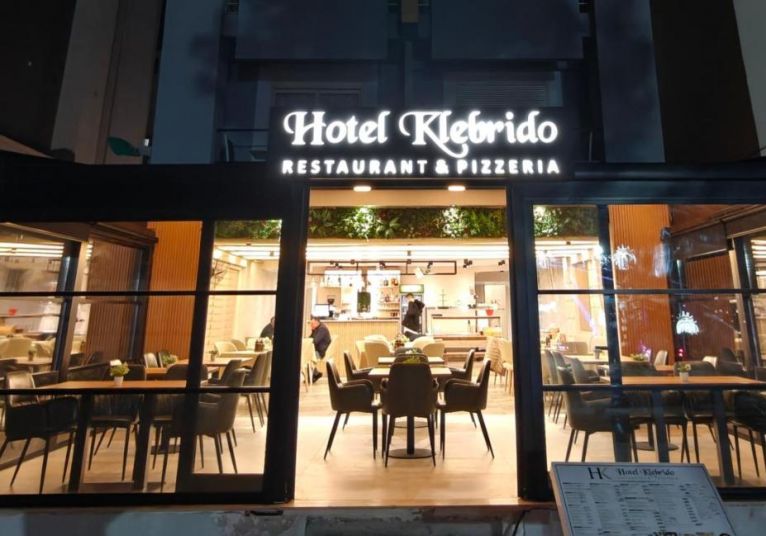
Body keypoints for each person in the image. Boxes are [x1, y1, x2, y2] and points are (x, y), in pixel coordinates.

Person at [310, 316, 331, 382]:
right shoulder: (317, 328)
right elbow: (310, 338)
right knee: (307, 355)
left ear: (317, 322)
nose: (311, 325)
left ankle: (315, 373)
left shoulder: (322, 329)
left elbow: (315, 341)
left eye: (312, 324)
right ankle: (315, 373)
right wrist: (313, 330)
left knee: (308, 355)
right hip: (317, 351)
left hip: (320, 353)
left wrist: (313, 331)